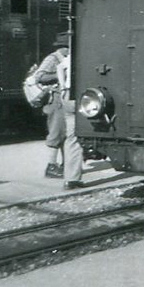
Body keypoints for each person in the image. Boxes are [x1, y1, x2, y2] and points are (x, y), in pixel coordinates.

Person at [34, 33, 69, 178]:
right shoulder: (53, 58)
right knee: (56, 132)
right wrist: (61, 74)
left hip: (64, 98)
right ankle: (51, 166)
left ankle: (66, 164)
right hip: (56, 99)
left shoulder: (65, 58)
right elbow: (39, 77)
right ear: (64, 47)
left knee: (66, 133)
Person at [56, 48, 85, 190]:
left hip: (67, 95)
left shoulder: (72, 55)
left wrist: (62, 86)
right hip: (80, 96)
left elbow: (59, 67)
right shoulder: (86, 54)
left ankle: (70, 179)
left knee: (71, 137)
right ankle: (73, 178)